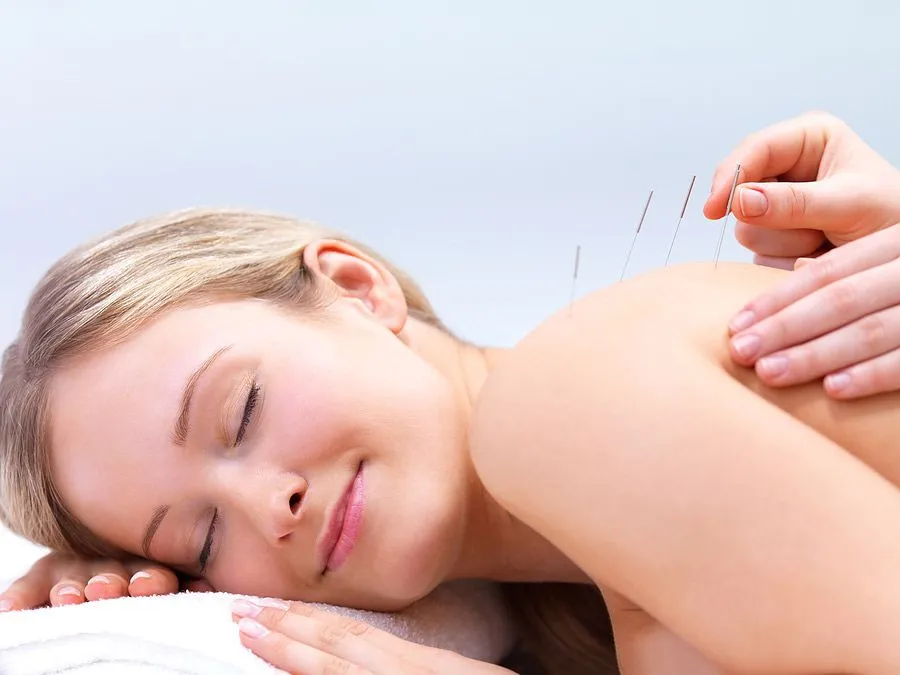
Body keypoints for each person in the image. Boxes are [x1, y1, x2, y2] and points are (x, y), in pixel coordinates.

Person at [0, 112, 898, 675]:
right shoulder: (580, 591)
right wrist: (128, 595)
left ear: (357, 289)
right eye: (202, 536)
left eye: (241, 412)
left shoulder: (564, 401)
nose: (269, 506)